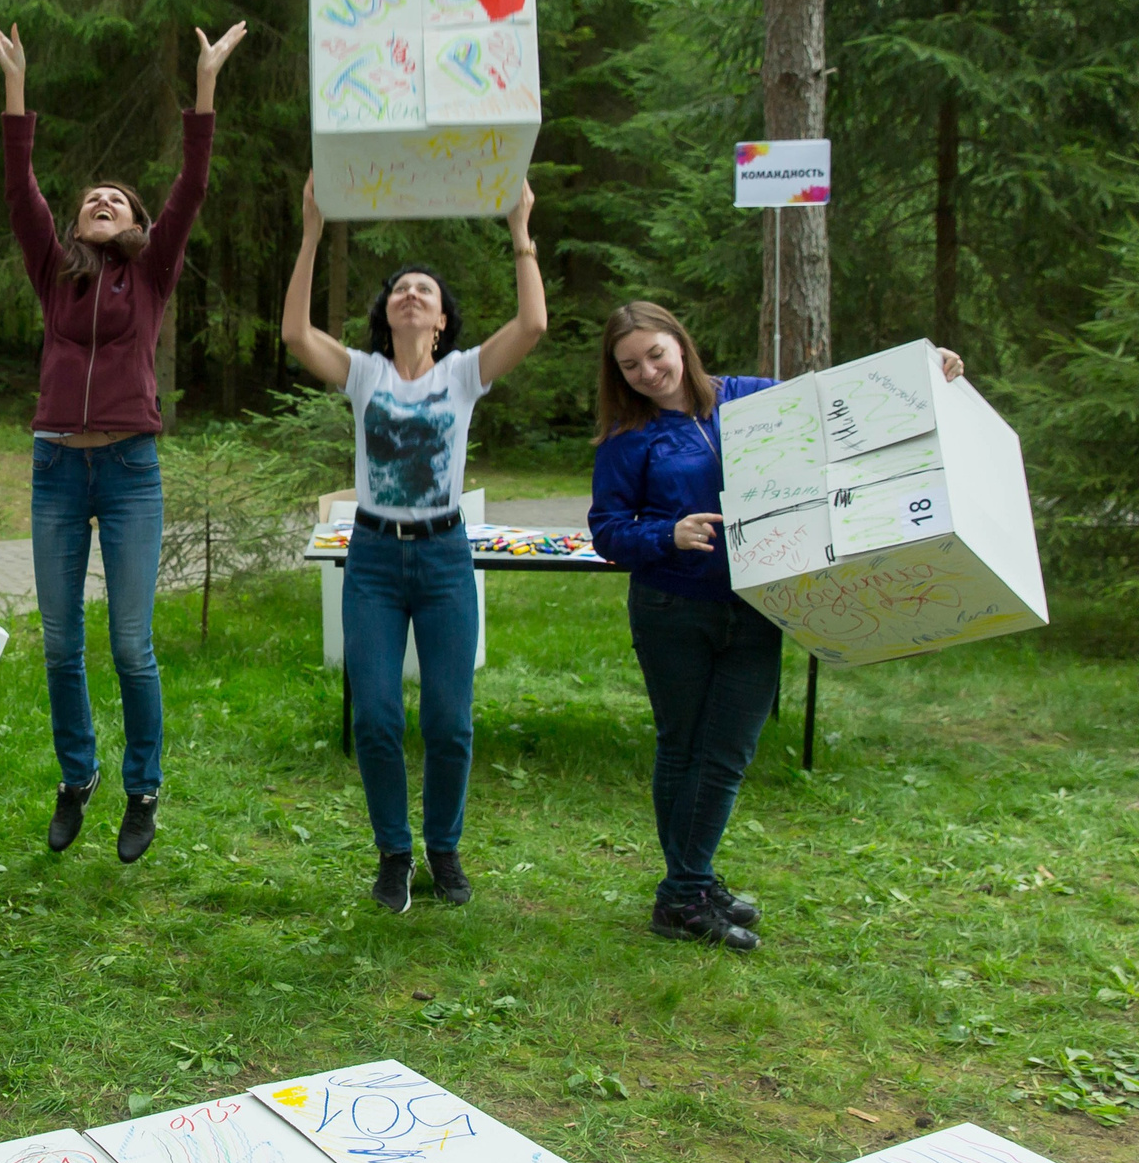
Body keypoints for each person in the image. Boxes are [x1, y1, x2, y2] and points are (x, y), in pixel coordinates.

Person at [589, 302, 962, 952]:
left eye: (655, 354)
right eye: (630, 365)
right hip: (673, 610)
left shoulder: (753, 401)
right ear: (617, 375)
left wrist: (925, 372)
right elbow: (607, 530)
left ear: (681, 343)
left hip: (762, 601)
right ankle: (686, 893)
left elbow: (842, 404)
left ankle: (688, 886)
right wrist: (665, 534)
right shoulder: (628, 437)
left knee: (728, 751)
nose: (647, 372)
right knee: (683, 748)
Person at [0, 13, 248, 864]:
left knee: (131, 646)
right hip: (57, 467)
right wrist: (14, 83)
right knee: (62, 643)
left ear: (134, 221)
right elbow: (19, 184)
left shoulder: (156, 267)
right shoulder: (52, 270)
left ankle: (143, 789)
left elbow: (195, 184)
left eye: (117, 200)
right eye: (90, 200)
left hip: (131, 471)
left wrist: (204, 85)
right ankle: (78, 776)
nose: (101, 202)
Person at [281, 176, 547, 913]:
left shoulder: (463, 376)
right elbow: (297, 337)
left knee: (450, 721)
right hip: (370, 559)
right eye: (400, 288)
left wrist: (520, 230)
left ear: (440, 322)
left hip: (442, 559)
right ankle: (394, 853)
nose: (410, 294)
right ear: (387, 313)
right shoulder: (363, 374)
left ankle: (445, 848)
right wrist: (310, 231)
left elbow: (531, 327)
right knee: (373, 715)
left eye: (424, 291)